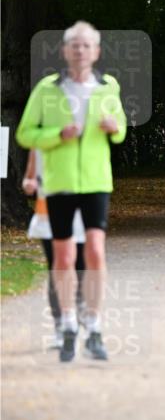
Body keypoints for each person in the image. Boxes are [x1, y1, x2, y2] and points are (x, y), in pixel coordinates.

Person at [16, 20, 127, 362]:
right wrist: (55, 135)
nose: (80, 50)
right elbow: (25, 134)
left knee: (95, 250)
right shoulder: (47, 89)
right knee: (63, 257)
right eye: (74, 45)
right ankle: (67, 324)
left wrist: (114, 127)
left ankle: (93, 325)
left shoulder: (109, 87)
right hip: (60, 182)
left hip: (96, 180)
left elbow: (120, 129)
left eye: (86, 45)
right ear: (64, 51)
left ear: (96, 52)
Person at [22, 148, 86, 349]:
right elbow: (29, 179)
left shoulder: (82, 139)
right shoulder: (39, 144)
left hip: (77, 214)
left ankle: (79, 316)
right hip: (47, 215)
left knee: (79, 267)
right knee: (56, 269)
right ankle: (61, 326)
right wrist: (29, 184)